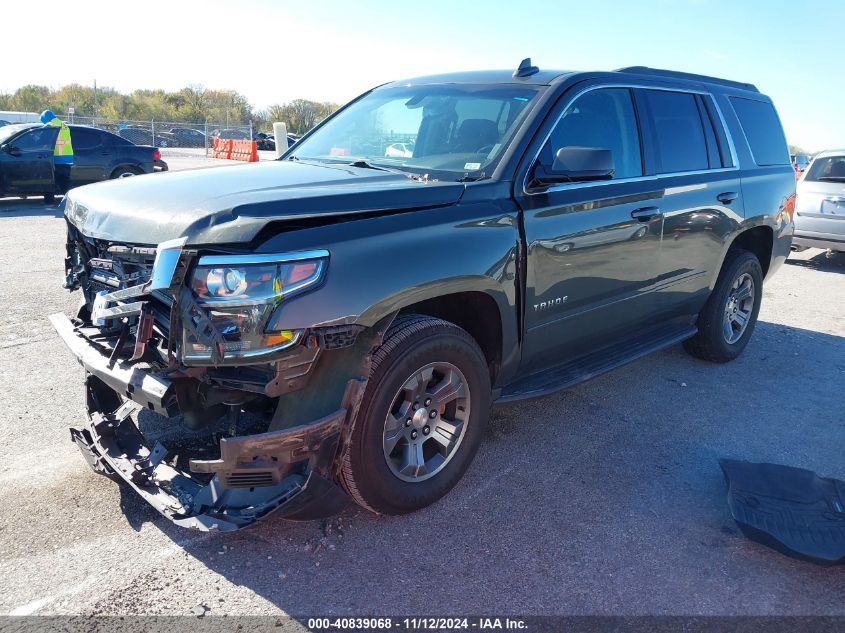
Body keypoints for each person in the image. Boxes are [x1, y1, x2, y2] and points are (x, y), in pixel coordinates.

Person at [40, 110, 73, 197]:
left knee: (51, 180)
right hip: (67, 158)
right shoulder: (64, 125)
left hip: (56, 157)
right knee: (65, 181)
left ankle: (49, 200)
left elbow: (41, 140)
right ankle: (68, 199)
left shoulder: (49, 125)